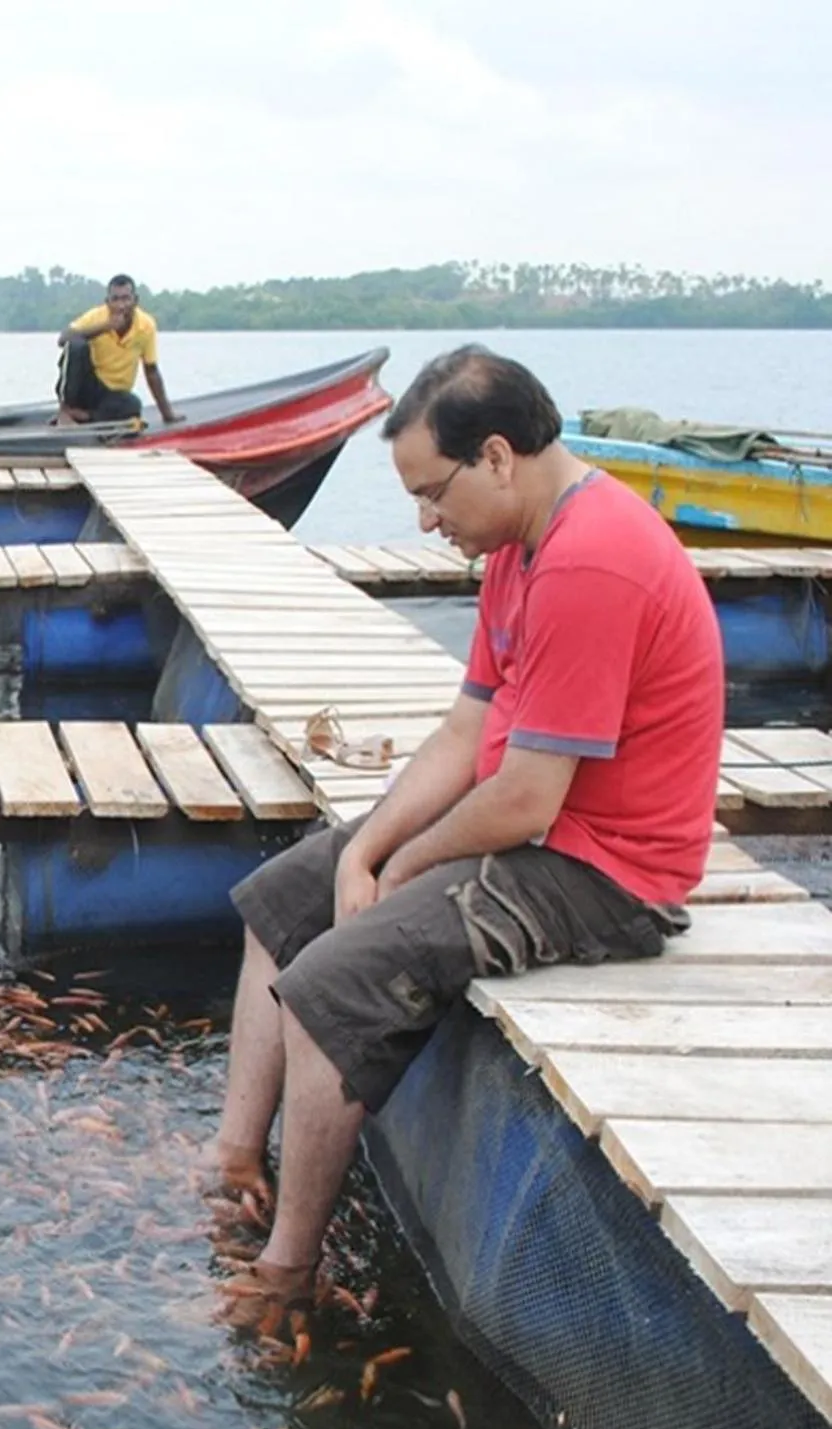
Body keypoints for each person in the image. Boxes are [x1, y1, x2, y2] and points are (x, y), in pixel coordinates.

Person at [212, 346, 723, 1320]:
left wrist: (402, 863)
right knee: (280, 902)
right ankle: (233, 1156)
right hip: (533, 827)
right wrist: (366, 850)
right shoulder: (517, 549)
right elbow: (464, 733)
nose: (423, 521)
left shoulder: (590, 560)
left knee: (328, 988)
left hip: (603, 868)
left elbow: (528, 800)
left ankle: (285, 1274)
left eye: (430, 494)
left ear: (495, 456)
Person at [56, 274, 182, 426]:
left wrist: (167, 414)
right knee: (76, 345)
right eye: (115, 299)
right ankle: (66, 410)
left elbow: (151, 370)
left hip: (113, 394)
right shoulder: (97, 317)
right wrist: (105, 327)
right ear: (107, 302)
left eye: (126, 299)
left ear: (135, 301)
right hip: (87, 386)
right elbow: (63, 339)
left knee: (133, 406)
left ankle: (86, 416)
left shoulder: (146, 325)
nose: (121, 306)